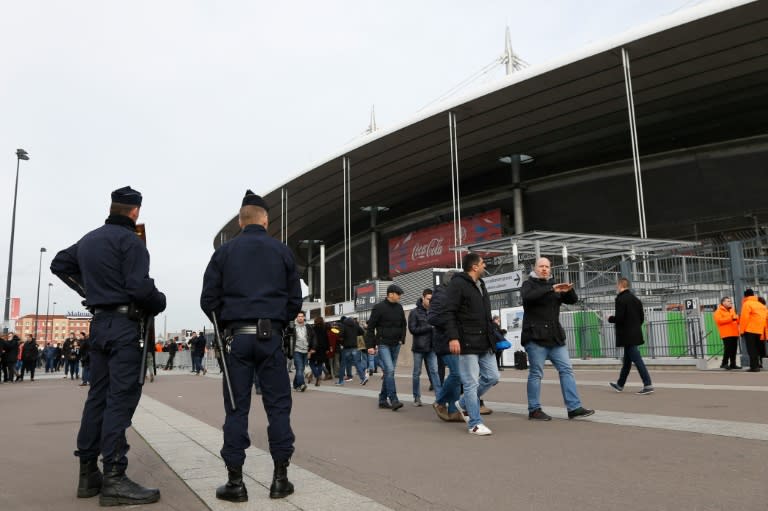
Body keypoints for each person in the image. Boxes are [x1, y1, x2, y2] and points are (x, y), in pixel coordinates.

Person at [51, 185, 166, 506]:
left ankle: (88, 473)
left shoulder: (89, 240)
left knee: (97, 397)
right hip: (124, 327)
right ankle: (115, 475)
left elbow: (60, 264)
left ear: (113, 208)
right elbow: (139, 289)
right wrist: (159, 300)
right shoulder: (132, 242)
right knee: (121, 399)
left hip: (99, 325)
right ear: (135, 211)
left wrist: (90, 291)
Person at [200, 190, 302, 503]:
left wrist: (225, 327)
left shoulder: (224, 252)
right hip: (271, 338)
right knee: (279, 407)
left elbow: (208, 300)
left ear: (241, 222)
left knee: (236, 409)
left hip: (236, 340)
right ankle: (280, 479)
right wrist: (278, 323)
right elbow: (294, 299)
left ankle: (235, 483)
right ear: (266, 220)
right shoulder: (282, 251)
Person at [522, 257, 594, 421]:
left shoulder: (554, 285)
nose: (545, 269)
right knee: (536, 373)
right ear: (535, 268)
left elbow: (573, 300)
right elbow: (528, 297)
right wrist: (551, 289)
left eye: (547, 267)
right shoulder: (528, 284)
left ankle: (574, 408)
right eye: (541, 266)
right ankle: (534, 409)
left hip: (555, 337)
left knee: (566, 369)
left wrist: (568, 290)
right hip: (535, 336)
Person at [444, 253, 500, 436]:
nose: (485, 266)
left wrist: (494, 334)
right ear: (475, 267)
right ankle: (474, 424)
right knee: (470, 382)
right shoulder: (457, 284)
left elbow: (485, 314)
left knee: (492, 377)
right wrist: (453, 338)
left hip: (485, 340)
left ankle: (462, 403)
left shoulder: (481, 284)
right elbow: (449, 312)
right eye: (483, 263)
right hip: (466, 340)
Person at [608, 277, 653, 394]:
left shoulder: (621, 299)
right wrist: (635, 327)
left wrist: (610, 318)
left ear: (620, 285)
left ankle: (648, 384)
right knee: (627, 362)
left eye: (617, 285)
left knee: (637, 360)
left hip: (626, 335)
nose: (616, 288)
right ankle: (620, 384)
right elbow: (641, 318)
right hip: (635, 333)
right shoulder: (636, 300)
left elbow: (620, 318)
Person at [366, 284, 407, 411]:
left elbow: (403, 325)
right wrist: (370, 346)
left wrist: (402, 339)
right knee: (389, 370)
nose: (399, 296)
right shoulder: (378, 308)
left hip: (396, 344)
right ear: (391, 294)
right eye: (398, 294)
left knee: (390, 372)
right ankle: (394, 399)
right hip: (383, 344)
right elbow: (371, 328)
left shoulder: (399, 308)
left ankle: (382, 399)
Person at [408, 288, 441, 407]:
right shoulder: (414, 312)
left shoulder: (434, 311)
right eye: (428, 299)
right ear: (423, 298)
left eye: (432, 299)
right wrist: (429, 327)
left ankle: (439, 399)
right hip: (419, 348)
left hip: (432, 347)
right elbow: (412, 329)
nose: (430, 301)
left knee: (435, 372)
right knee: (417, 373)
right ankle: (416, 397)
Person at [739, 289, 768, 372]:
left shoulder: (747, 304)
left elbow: (744, 318)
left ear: (745, 296)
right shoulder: (761, 305)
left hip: (750, 329)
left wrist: (742, 331)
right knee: (757, 348)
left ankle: (754, 367)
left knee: (751, 349)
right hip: (759, 330)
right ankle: (757, 365)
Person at [337, 316, 368, 386]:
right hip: (356, 347)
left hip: (346, 348)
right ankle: (363, 378)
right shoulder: (356, 326)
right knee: (357, 363)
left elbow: (340, 335)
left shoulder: (343, 326)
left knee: (343, 365)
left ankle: (341, 381)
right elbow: (362, 332)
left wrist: (342, 340)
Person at [289, 311, 314, 392]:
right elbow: (288, 337)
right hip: (297, 350)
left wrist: (312, 349)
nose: (300, 317)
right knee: (299, 368)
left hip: (306, 351)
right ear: (297, 317)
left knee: (302, 369)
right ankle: (302, 384)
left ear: (304, 317)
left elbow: (313, 337)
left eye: (302, 316)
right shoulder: (292, 327)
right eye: (299, 316)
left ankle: (296, 384)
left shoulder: (308, 327)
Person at [714, 296, 741, 370]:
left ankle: (733, 364)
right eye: (728, 301)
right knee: (728, 349)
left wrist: (738, 318)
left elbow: (736, 320)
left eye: (730, 301)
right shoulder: (718, 311)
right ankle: (724, 363)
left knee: (734, 349)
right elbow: (719, 321)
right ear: (723, 302)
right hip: (726, 333)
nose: (730, 302)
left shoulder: (732, 310)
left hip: (734, 333)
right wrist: (731, 318)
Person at [308, 317, 329, 386]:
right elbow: (327, 339)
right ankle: (318, 377)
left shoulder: (313, 329)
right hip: (322, 349)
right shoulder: (324, 329)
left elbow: (311, 339)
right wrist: (327, 348)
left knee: (311, 363)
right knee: (320, 363)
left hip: (315, 348)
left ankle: (317, 376)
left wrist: (309, 348)